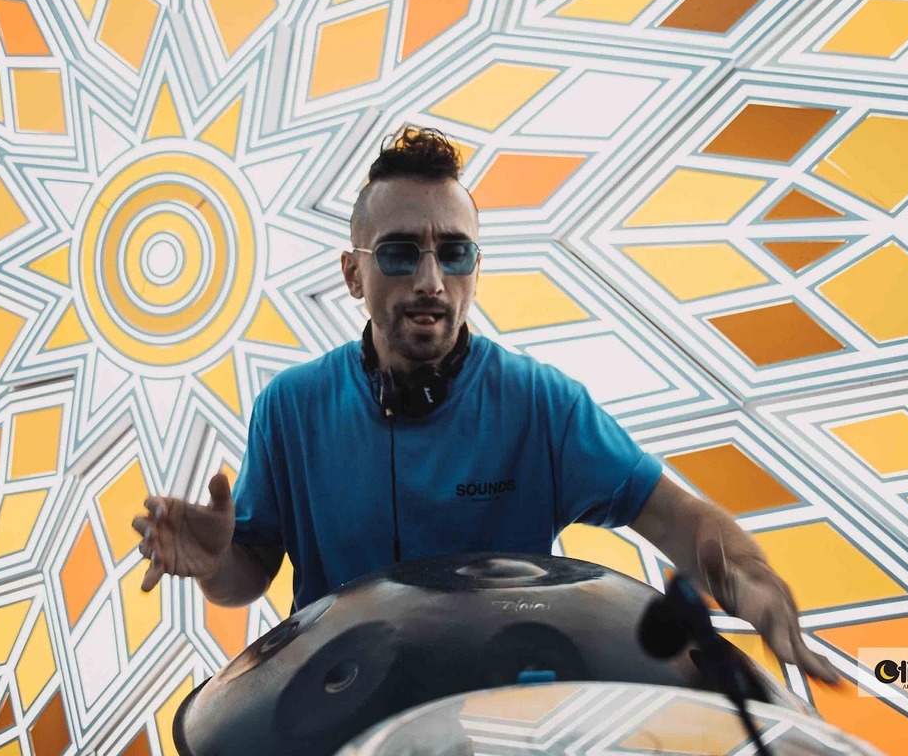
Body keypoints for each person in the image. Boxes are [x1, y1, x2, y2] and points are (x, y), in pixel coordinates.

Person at [132, 127, 839, 683]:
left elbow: (675, 517)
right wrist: (215, 562)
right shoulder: (290, 407)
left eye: (456, 253)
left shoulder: (542, 404)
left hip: (504, 715)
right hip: (340, 714)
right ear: (353, 273)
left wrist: (750, 578)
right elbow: (245, 578)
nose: (431, 281)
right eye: (400, 253)